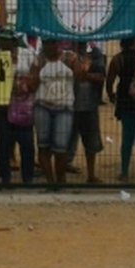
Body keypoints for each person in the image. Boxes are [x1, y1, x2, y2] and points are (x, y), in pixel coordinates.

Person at [27, 39, 85, 185]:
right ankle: (51, 182)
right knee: (43, 145)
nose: (49, 47)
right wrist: (36, 72)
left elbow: (79, 77)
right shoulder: (39, 60)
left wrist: (79, 64)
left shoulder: (69, 58)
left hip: (64, 107)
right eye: (46, 44)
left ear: (57, 44)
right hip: (42, 105)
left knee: (61, 147)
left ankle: (60, 180)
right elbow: (31, 86)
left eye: (51, 43)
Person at [106, 36, 135, 181]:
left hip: (125, 99)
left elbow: (110, 80)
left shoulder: (117, 59)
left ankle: (125, 172)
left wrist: (111, 95)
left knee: (127, 137)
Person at [0, 27, 36, 185]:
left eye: (8, 41)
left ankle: (28, 177)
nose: (5, 44)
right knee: (3, 142)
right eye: (2, 41)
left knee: (26, 142)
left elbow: (35, 71)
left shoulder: (27, 53)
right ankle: (4, 176)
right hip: (3, 106)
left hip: (24, 104)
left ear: (14, 41)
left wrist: (27, 84)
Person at [68, 40, 106, 184]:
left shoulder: (95, 54)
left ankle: (91, 174)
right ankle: (63, 170)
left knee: (91, 142)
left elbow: (101, 77)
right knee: (66, 139)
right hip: (70, 103)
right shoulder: (67, 54)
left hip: (89, 104)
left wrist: (86, 75)